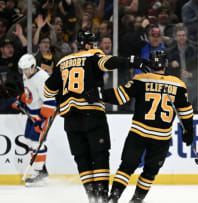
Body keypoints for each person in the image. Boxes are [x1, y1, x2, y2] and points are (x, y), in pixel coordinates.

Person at [43, 31, 142, 203]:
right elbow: (107, 63)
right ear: (88, 45)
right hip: (91, 115)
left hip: (70, 119)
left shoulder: (63, 62)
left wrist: (61, 95)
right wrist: (129, 60)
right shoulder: (93, 55)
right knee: (100, 155)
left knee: (82, 158)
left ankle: (92, 197)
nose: (96, 47)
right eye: (94, 44)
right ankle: (102, 198)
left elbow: (47, 90)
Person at [84, 50, 194, 203]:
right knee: (150, 172)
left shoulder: (141, 79)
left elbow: (120, 96)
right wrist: (189, 131)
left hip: (139, 133)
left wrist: (100, 94)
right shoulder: (178, 84)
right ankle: (136, 200)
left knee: (126, 167)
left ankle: (113, 198)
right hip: (161, 138)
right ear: (166, 63)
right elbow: (186, 112)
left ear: (151, 63)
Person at [11, 53, 56, 186]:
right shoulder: (27, 74)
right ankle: (42, 172)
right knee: (30, 141)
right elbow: (29, 94)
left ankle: (38, 172)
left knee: (37, 143)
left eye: (26, 69)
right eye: (22, 69)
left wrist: (41, 120)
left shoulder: (42, 78)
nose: (24, 72)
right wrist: (20, 100)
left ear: (32, 66)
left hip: (43, 114)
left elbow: (50, 102)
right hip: (32, 113)